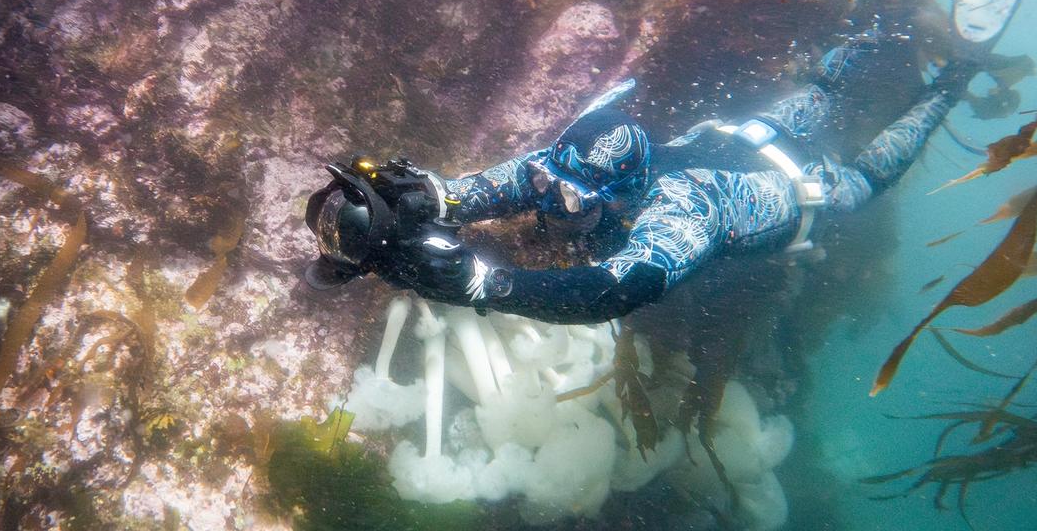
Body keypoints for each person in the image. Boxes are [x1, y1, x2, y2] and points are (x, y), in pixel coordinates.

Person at [333, 39, 975, 324]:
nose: (548, 198)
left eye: (569, 198)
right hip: (735, 137)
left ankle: (942, 94)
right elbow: (520, 180)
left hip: (801, 192)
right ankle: (853, 55)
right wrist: (438, 197)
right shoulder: (582, 160)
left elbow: (618, 289)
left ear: (621, 196)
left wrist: (491, 284)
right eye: (548, 178)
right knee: (809, 98)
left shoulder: (683, 213)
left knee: (864, 179)